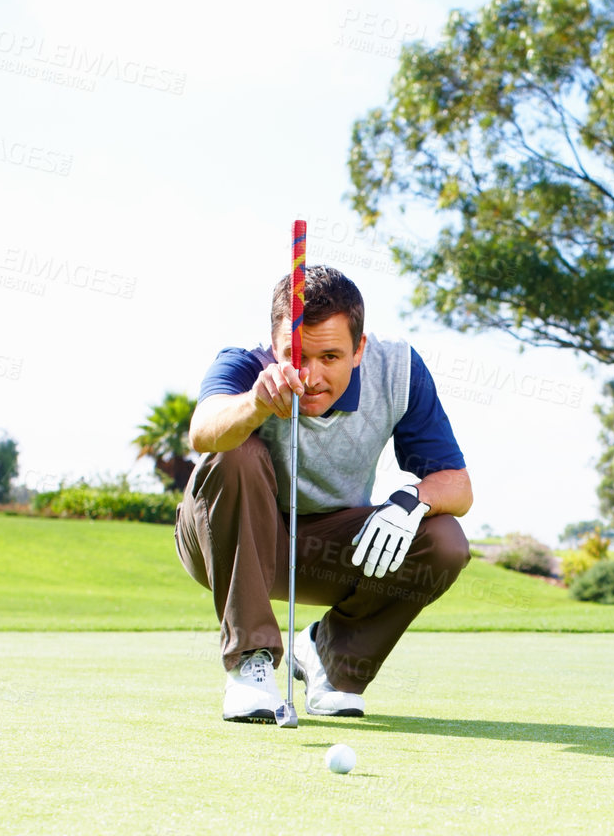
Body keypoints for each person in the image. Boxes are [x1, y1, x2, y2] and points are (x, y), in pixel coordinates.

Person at [177, 264, 472, 722]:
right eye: (295, 356)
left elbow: (458, 484)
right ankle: (250, 664)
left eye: (330, 357)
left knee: (445, 541)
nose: (310, 376)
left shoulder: (397, 370)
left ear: (360, 349)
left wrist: (411, 500)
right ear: (273, 345)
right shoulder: (243, 365)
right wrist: (255, 403)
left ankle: (330, 655)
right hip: (226, 541)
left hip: (328, 550)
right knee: (234, 451)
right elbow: (203, 433)